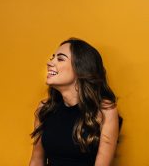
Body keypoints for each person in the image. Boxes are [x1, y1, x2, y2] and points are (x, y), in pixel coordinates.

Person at [29, 38, 123, 166]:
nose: (49, 63)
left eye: (60, 59)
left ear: (80, 68)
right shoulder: (45, 109)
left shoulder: (105, 111)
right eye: (52, 57)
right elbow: (36, 161)